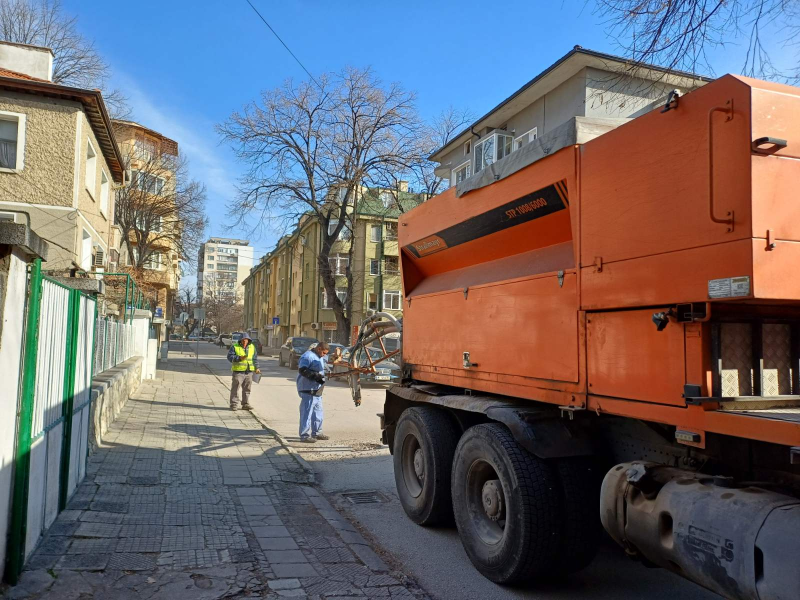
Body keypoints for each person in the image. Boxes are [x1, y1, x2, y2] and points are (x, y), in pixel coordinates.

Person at [296, 341, 342, 443]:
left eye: (326, 353)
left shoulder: (320, 356)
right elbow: (302, 370)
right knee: (307, 413)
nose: (324, 355)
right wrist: (315, 376)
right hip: (308, 389)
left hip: (317, 390)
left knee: (318, 413)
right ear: (319, 349)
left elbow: (329, 361)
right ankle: (304, 435)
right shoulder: (307, 356)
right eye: (324, 353)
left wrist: (336, 356)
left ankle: (317, 432)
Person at [227, 332, 260, 411]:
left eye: (247, 340)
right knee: (235, 388)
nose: (245, 341)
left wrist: (257, 367)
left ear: (249, 340)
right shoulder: (235, 347)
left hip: (249, 372)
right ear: (240, 341)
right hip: (238, 371)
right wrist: (238, 358)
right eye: (243, 340)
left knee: (247, 389)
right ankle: (234, 404)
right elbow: (229, 357)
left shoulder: (252, 347)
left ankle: (245, 404)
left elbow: (254, 359)